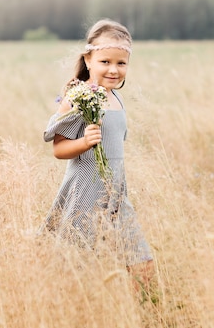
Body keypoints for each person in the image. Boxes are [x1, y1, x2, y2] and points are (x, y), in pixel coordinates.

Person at [40, 19, 154, 287]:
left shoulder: (116, 97)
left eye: (121, 63)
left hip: (115, 195)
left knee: (142, 263)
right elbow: (58, 149)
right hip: (86, 191)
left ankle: (145, 315)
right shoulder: (78, 97)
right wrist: (84, 143)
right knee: (75, 265)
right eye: (105, 62)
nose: (113, 70)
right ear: (88, 60)